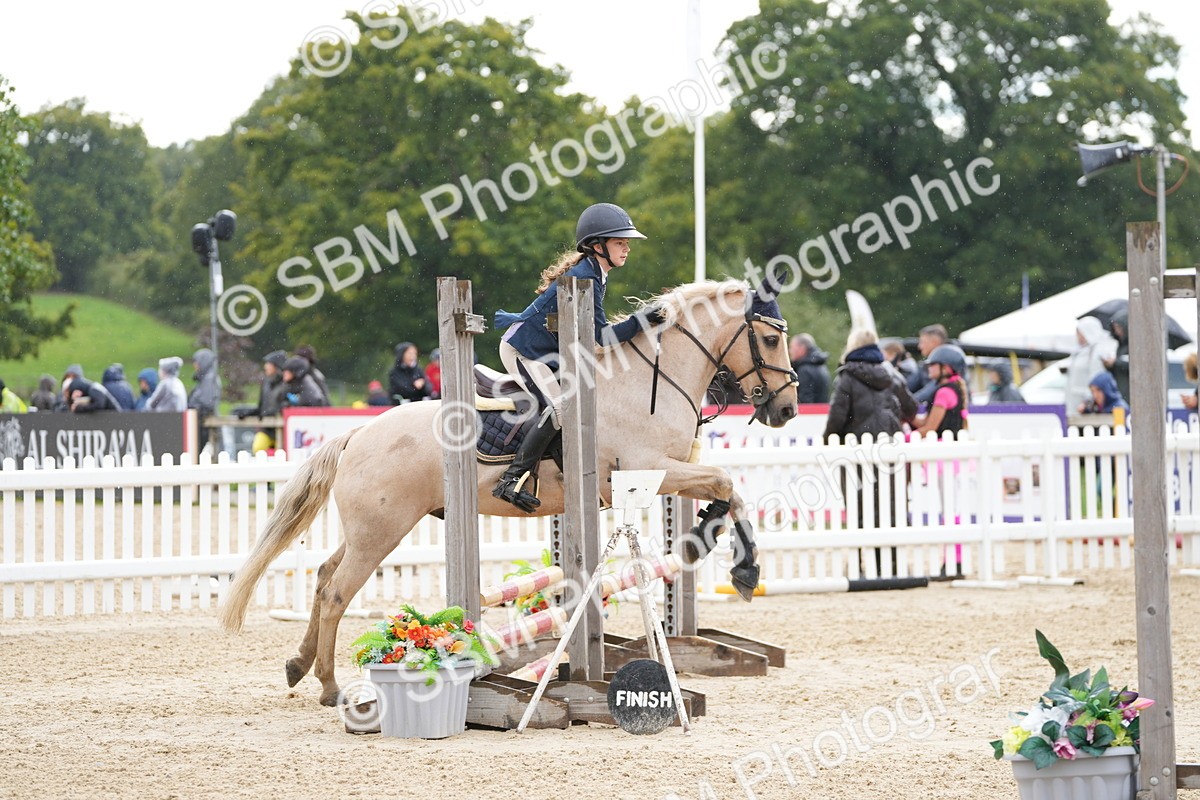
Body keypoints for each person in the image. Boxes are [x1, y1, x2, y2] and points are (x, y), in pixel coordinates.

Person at [491, 202, 665, 512]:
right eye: (619, 242)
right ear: (597, 246)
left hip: (548, 353)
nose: (627, 249)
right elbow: (602, 337)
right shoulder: (586, 276)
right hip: (523, 350)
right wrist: (642, 321)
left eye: (626, 243)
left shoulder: (595, 273)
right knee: (563, 406)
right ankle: (511, 478)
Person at [822, 328, 917, 576]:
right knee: (892, 506)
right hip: (891, 451)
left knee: (860, 508)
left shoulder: (847, 378)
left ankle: (861, 564)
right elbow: (911, 409)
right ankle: (892, 563)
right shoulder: (892, 376)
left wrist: (828, 441)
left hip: (858, 454)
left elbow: (837, 418)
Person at [913, 344, 969, 436]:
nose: (929, 368)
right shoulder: (953, 388)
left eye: (932, 364)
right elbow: (925, 422)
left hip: (942, 446)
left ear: (945, 368)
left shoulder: (944, 392)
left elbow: (929, 429)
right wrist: (908, 415)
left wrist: (905, 437)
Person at [1065, 316, 1116, 416]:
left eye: (1079, 332)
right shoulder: (1079, 351)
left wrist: (1088, 400)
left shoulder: (1098, 351)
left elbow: (1096, 379)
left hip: (1085, 405)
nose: (1078, 336)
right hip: (1074, 403)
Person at [241, 350, 287, 453]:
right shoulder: (265, 383)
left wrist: (275, 412)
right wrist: (247, 413)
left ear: (276, 366)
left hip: (282, 431)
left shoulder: (286, 384)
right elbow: (261, 408)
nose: (265, 366)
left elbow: (287, 407)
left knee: (282, 455)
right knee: (258, 449)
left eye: (268, 364)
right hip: (266, 430)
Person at [907, 324, 949, 403]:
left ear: (934, 342)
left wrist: (908, 404)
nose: (919, 347)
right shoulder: (925, 365)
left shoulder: (950, 363)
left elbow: (931, 389)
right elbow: (908, 386)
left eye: (922, 342)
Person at [790, 333, 830, 404]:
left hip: (808, 414)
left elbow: (805, 402)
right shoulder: (822, 367)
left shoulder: (804, 370)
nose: (790, 351)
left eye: (792, 347)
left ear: (802, 348)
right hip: (821, 413)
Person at [1103, 311, 1131, 403]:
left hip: (1129, 392)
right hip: (1119, 390)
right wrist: (1109, 365)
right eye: (1114, 328)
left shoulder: (1134, 346)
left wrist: (1115, 362)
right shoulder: (1120, 346)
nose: (1116, 331)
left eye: (1118, 327)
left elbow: (1135, 366)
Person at [188, 348, 222, 422]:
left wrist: (192, 408)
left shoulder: (209, 379)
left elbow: (207, 402)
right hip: (200, 419)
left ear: (203, 362)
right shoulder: (206, 378)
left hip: (203, 421)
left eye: (196, 362)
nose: (194, 365)